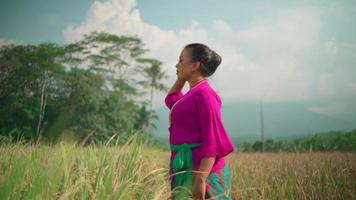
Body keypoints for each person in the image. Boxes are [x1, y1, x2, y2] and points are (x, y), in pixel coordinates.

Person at [165, 43, 235, 200]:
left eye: (181, 60)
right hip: (186, 169)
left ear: (195, 65)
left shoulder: (205, 94)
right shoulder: (193, 93)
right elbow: (171, 100)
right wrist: (182, 78)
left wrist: (201, 180)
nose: (177, 65)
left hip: (203, 173)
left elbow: (212, 140)